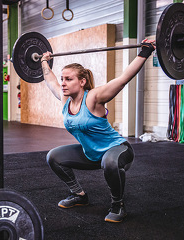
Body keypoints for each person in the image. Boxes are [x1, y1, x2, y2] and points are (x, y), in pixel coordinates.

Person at [41, 39, 155, 223]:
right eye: (62, 78)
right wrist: (43, 61)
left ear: (82, 81)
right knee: (53, 157)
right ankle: (78, 195)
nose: (63, 83)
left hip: (118, 150)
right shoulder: (65, 100)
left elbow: (123, 79)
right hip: (91, 155)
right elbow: (50, 80)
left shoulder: (94, 97)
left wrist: (145, 52)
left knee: (110, 162)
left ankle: (118, 205)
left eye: (68, 79)